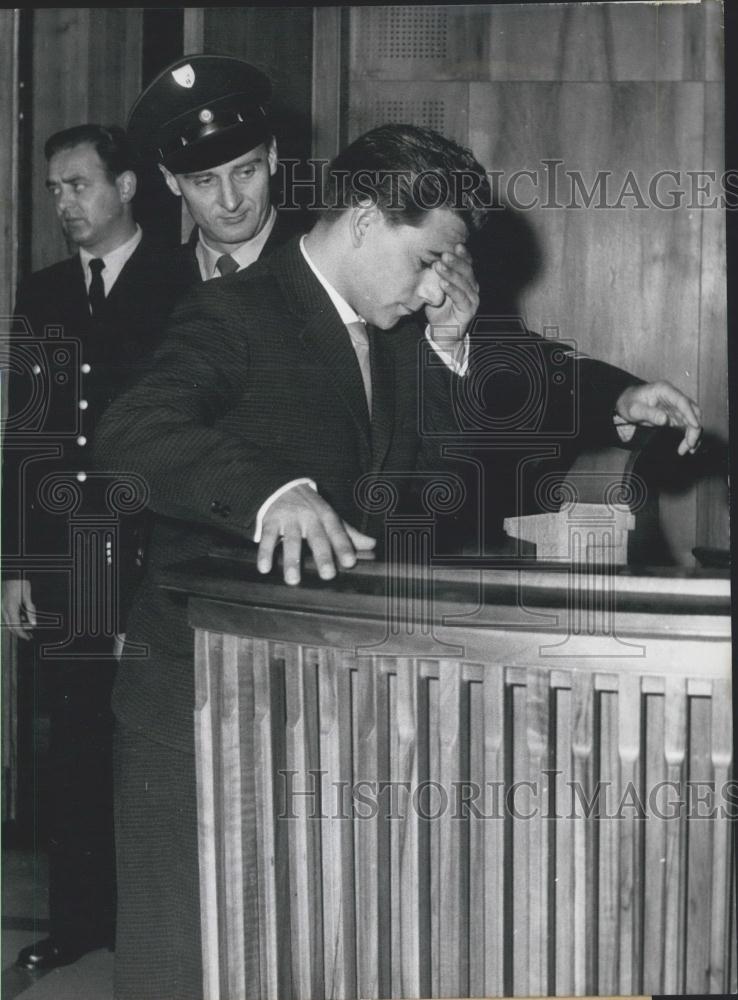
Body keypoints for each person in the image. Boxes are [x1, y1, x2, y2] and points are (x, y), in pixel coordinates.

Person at [94, 122, 701, 999]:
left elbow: (504, 400)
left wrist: (612, 394)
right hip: (196, 700)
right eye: (427, 260)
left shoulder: (404, 326)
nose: (434, 288)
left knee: (308, 952)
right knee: (188, 961)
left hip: (319, 704)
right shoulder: (236, 313)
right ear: (369, 218)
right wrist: (272, 493)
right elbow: (132, 432)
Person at [0, 124, 192, 972]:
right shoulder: (43, 293)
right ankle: (79, 927)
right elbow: (27, 433)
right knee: (72, 746)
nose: (65, 204)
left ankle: (154, 934)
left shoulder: (182, 279)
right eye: (54, 190)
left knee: (150, 749)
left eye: (78, 184)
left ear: (128, 185)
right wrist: (13, 561)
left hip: (154, 550)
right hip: (64, 556)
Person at [127, 53, 305, 281]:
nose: (231, 202)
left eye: (245, 172)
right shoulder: (148, 287)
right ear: (171, 180)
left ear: (271, 156)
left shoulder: (319, 267)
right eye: (205, 181)